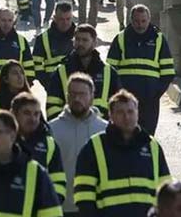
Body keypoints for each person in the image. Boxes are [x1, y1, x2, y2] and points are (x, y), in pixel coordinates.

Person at [74, 89, 171, 217]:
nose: (127, 117)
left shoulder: (152, 145)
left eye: (131, 111)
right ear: (111, 116)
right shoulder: (94, 147)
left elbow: (166, 191)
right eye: (120, 112)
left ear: (138, 113)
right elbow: (83, 194)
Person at [107, 4, 174, 134]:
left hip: (149, 101)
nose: (140, 25)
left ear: (149, 20)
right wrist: (118, 92)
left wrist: (155, 94)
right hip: (125, 100)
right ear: (131, 20)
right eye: (137, 21)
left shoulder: (159, 39)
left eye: (143, 21)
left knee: (147, 137)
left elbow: (168, 72)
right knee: (123, 135)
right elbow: (110, 70)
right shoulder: (121, 38)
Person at [50, 72, 108, 216]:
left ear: (92, 96)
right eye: (72, 94)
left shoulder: (106, 130)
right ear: (67, 96)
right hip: (62, 207)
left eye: (82, 94)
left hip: (96, 207)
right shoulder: (51, 130)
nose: (77, 98)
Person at [45, 23, 121, 119]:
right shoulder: (60, 71)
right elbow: (52, 106)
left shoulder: (109, 73)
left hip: (100, 130)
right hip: (69, 129)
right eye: (77, 39)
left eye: (85, 40)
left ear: (94, 43)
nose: (80, 44)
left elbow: (118, 106)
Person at [11, 92, 67, 203]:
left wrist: (51, 202)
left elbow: (58, 181)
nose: (32, 118)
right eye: (27, 113)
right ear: (14, 114)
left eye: (36, 114)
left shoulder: (49, 144)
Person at [0, 8, 35, 85]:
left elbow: (29, 70)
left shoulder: (21, 41)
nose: (6, 24)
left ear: (14, 22)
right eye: (3, 20)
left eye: (10, 20)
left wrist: (25, 87)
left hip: (14, 90)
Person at [32, 1, 76, 76]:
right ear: (54, 18)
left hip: (78, 85)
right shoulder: (42, 39)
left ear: (72, 18)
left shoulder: (80, 36)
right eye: (61, 19)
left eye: (68, 19)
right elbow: (36, 66)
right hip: (52, 84)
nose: (65, 22)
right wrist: (49, 84)